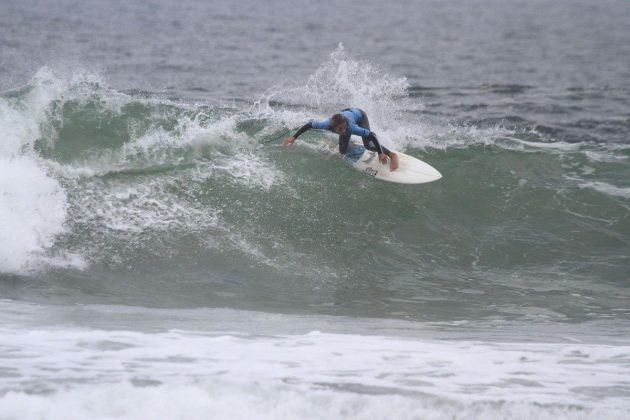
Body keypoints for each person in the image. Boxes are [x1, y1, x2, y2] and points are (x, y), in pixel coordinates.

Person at [282, 108, 398, 171]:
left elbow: (372, 135)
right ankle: (351, 144)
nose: (343, 131)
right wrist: (293, 137)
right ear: (333, 127)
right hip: (348, 113)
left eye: (344, 128)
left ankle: (392, 155)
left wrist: (380, 152)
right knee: (343, 151)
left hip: (360, 116)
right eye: (340, 129)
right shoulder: (325, 124)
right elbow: (309, 125)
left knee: (367, 145)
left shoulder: (350, 127)